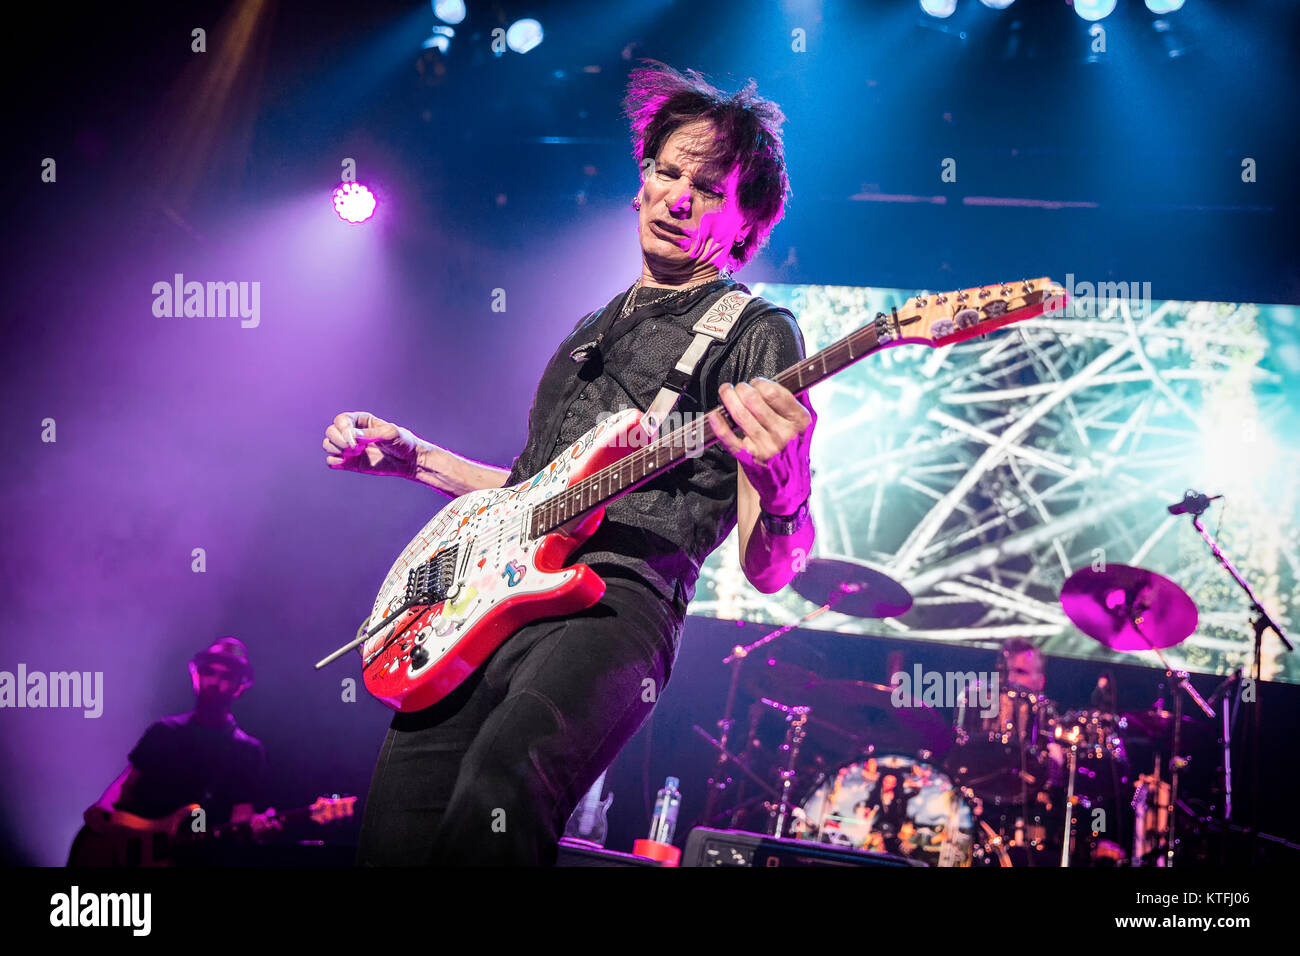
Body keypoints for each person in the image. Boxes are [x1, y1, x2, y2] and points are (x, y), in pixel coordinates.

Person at [325, 62, 818, 866]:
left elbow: (772, 569)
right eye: (666, 172)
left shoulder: (758, 333)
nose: (679, 196)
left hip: (616, 598)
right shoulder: (590, 330)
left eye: (709, 187)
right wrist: (414, 459)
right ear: (640, 183)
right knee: (396, 822)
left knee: (502, 782)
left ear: (744, 219)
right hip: (491, 597)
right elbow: (530, 497)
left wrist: (785, 488)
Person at [70, 637, 279, 863]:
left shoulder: (247, 752)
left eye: (226, 676)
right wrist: (102, 810)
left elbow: (240, 820)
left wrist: (254, 830)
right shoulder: (165, 732)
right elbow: (127, 783)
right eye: (209, 671)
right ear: (195, 676)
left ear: (240, 687)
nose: (215, 681)